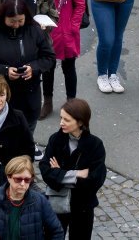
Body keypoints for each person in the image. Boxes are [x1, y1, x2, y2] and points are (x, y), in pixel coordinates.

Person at [0, 0, 55, 135]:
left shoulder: (35, 30)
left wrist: (33, 68)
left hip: (30, 96)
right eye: (12, 21)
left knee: (28, 132)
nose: (16, 25)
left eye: (20, 21)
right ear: (3, 17)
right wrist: (4, 71)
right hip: (2, 97)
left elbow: (49, 57)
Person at [40, 99, 106, 240]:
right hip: (57, 202)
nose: (61, 123)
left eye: (66, 120)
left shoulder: (95, 145)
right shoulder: (55, 140)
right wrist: (78, 174)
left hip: (83, 206)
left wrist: (60, 174)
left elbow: (95, 179)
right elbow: (46, 171)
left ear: (80, 122)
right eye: (61, 118)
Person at [39, 0, 86, 119]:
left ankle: (71, 104)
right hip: (47, 30)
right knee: (47, 68)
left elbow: (80, 4)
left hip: (67, 30)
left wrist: (73, 26)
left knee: (69, 67)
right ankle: (48, 102)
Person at [0, 155, 64, 240]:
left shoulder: (40, 201)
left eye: (27, 180)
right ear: (8, 177)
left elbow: (57, 232)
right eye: (18, 179)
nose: (22, 184)